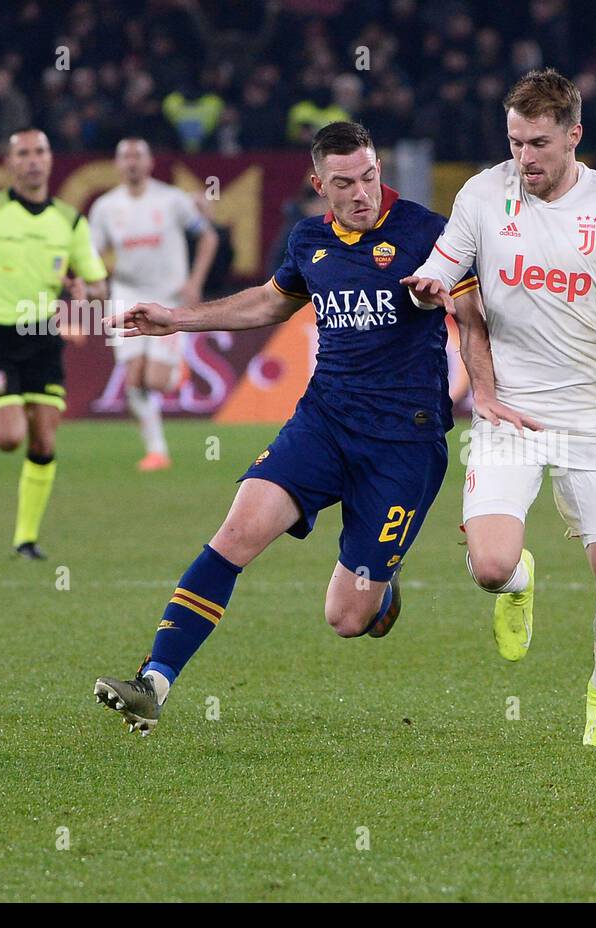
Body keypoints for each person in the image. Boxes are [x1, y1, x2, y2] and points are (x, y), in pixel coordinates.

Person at [93, 122, 478, 735]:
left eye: (370, 177)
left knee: (348, 618)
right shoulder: (308, 241)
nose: (361, 193)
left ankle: (382, 585)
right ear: (318, 184)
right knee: (237, 532)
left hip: (405, 443)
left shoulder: (430, 235)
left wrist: (484, 375)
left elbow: (477, 315)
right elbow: (270, 303)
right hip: (322, 425)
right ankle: (154, 682)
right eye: (345, 183)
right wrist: (176, 319)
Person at [403, 69, 596, 747]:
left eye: (538, 142)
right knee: (487, 566)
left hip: (595, 417)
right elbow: (444, 267)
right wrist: (429, 286)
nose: (524, 158)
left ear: (574, 135)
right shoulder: (483, 194)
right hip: (511, 413)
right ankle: (518, 579)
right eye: (514, 141)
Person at [0, 128, 108, 559]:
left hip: (42, 335)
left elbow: (99, 285)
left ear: (50, 160)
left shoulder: (69, 220)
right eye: (23, 153)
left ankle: (26, 540)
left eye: (40, 152)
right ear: (10, 163)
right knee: (10, 438)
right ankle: (2, 414)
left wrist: (83, 289)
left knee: (44, 442)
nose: (32, 160)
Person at [88, 138, 219, 470]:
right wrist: (97, 281)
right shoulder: (105, 208)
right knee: (133, 379)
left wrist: (195, 282)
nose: (131, 162)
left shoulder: (172, 200)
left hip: (168, 297)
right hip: (126, 294)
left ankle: (177, 369)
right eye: (125, 157)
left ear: (149, 163)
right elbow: (90, 253)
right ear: (117, 165)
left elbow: (208, 236)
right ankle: (157, 451)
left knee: (156, 381)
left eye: (138, 156)